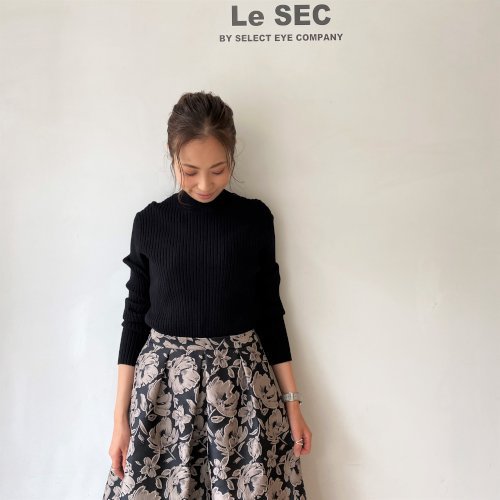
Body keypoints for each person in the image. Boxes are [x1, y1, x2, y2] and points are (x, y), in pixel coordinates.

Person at [102, 91, 312, 499]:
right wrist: (119, 420)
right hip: (162, 394)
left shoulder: (254, 219)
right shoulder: (150, 223)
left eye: (218, 170)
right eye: (189, 170)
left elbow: (270, 313)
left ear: (232, 156)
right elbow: (134, 318)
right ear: (172, 157)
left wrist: (293, 404)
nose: (204, 184)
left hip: (242, 393)